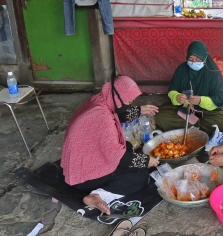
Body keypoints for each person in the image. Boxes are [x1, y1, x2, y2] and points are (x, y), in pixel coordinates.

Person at [61, 76, 160, 215]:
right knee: (139, 176)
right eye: (129, 101)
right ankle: (97, 196)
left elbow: (118, 112)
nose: (129, 105)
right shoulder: (101, 117)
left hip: (80, 161)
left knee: (127, 147)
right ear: (118, 97)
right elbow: (119, 157)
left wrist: (139, 110)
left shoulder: (100, 100)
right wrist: (146, 160)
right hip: (83, 178)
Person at [155, 40, 223, 136]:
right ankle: (198, 130)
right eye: (190, 59)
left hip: (209, 112)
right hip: (185, 109)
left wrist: (201, 101)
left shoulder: (213, 72)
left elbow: (220, 97)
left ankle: (189, 129)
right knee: (160, 117)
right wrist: (177, 97)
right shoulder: (182, 69)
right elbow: (172, 90)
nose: (193, 62)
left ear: (204, 57)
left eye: (197, 59)